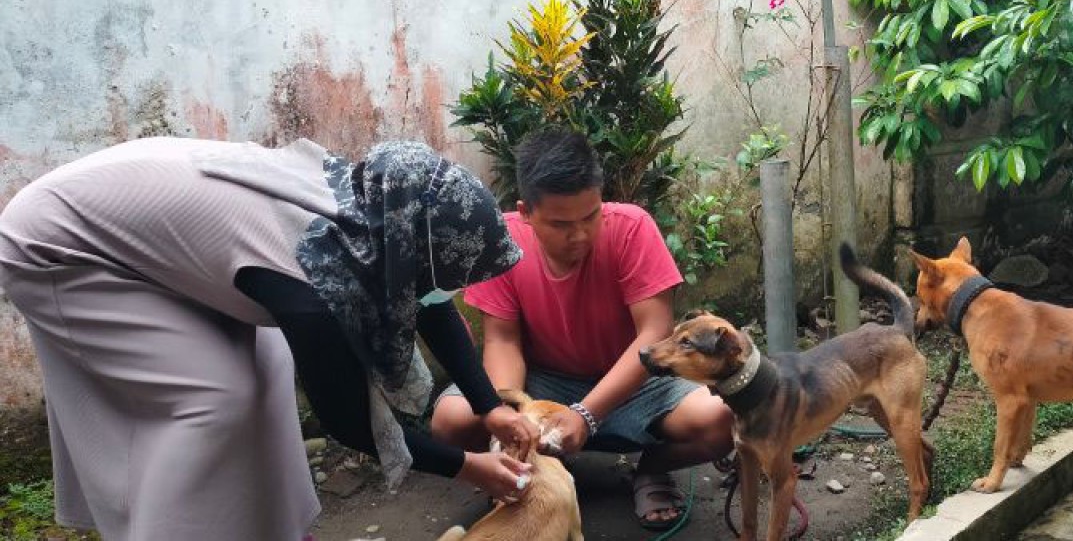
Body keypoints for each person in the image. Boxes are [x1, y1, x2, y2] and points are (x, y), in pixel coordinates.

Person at [0, 136, 541, 541]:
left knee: (271, 370)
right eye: (443, 272)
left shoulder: (372, 213)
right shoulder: (312, 287)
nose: (442, 288)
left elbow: (426, 300)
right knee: (215, 399)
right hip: (59, 245)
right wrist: (470, 468)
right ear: (411, 254)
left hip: (128, 223)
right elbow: (352, 426)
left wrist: (487, 406)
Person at [431, 129, 736, 531]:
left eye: (590, 217)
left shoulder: (632, 228)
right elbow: (503, 339)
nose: (580, 235)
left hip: (637, 382)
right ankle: (530, 464)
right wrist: (511, 416)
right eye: (560, 224)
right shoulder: (501, 241)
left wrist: (587, 415)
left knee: (723, 418)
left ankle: (652, 468)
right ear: (525, 212)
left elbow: (653, 334)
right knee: (450, 420)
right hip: (543, 382)